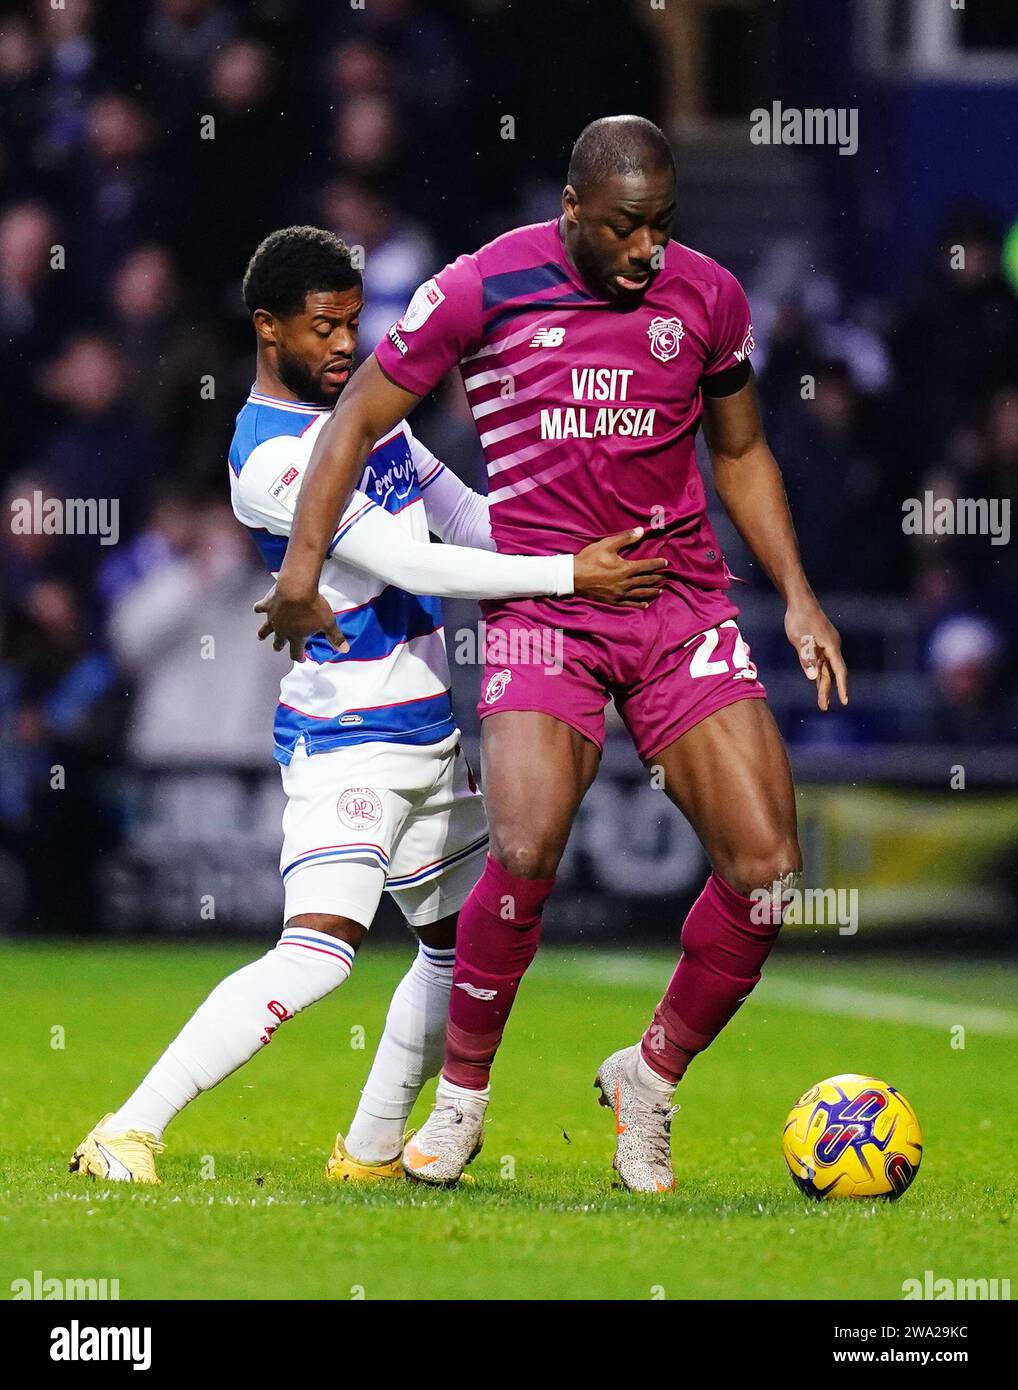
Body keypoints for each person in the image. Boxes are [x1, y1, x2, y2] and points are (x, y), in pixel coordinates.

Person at [253, 117, 849, 1195]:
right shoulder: (481, 287)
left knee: (768, 876)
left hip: (675, 604)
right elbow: (352, 419)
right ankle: (463, 1102)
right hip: (546, 606)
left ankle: (650, 1078)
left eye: (662, 228)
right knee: (523, 850)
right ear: (572, 210)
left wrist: (799, 599)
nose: (645, 253)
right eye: (624, 229)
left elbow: (744, 449)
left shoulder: (708, 297)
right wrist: (300, 570)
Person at [69, 224, 661, 1184]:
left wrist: (583, 531)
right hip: (347, 739)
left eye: (353, 323)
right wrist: (567, 575)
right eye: (323, 328)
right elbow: (408, 558)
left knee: (461, 947)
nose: (346, 345)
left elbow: (462, 514)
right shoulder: (270, 458)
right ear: (268, 330)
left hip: (427, 729)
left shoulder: (369, 414)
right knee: (318, 956)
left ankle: (374, 1148)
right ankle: (126, 1129)